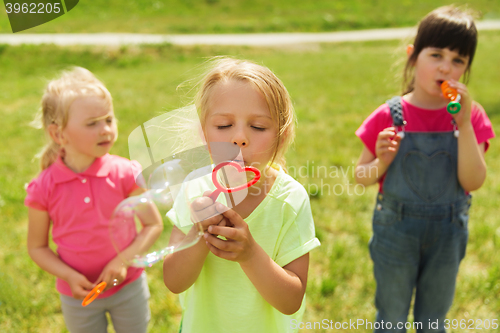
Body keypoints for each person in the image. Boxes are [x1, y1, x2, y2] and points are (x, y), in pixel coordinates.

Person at [355, 5, 495, 333]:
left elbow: (473, 181)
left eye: (458, 60)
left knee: (433, 320)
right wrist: (381, 161)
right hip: (395, 233)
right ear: (413, 56)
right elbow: (360, 177)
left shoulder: (470, 117)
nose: (446, 67)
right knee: (391, 317)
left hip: (448, 235)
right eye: (436, 54)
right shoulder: (388, 115)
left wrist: (464, 126)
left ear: (466, 68)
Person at [163, 57, 321, 333]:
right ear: (204, 134)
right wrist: (199, 234)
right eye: (224, 125)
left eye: (258, 127)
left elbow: (291, 300)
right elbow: (174, 282)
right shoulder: (195, 190)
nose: (239, 138)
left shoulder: (289, 200)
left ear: (280, 138)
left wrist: (250, 254)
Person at [25, 67, 162, 333]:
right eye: (92, 123)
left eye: (109, 119)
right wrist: (69, 276)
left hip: (128, 287)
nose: (106, 130)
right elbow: (37, 247)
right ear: (58, 135)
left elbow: (152, 225)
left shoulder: (124, 173)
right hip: (78, 295)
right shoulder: (43, 188)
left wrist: (122, 260)